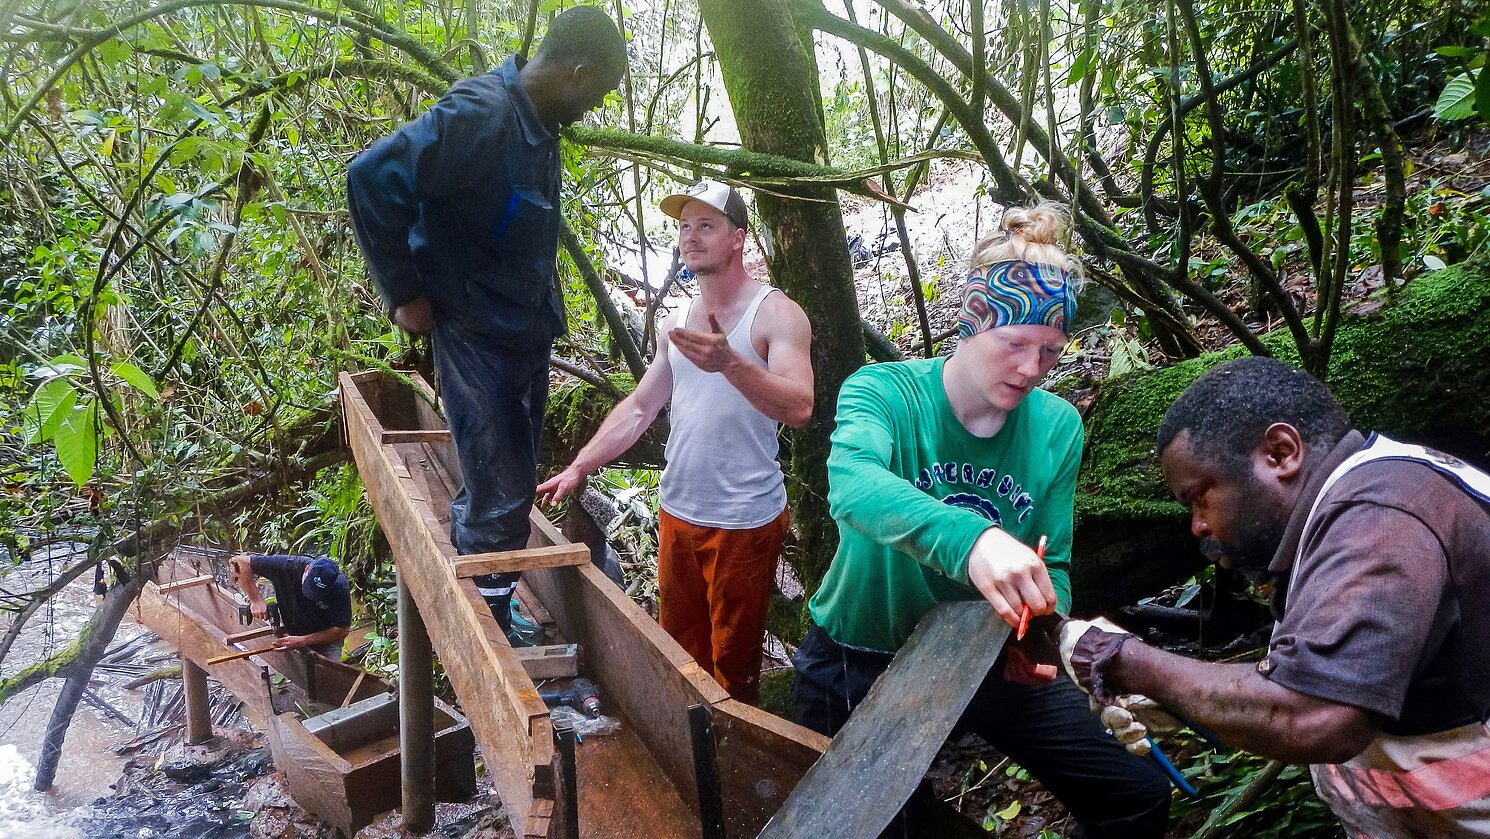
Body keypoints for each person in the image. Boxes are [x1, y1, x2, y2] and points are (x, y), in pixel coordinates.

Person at [795, 202, 1170, 837]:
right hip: (860, 656)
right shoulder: (884, 391)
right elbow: (853, 486)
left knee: (1135, 793)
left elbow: (1051, 558)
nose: (1031, 369)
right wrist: (975, 541)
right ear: (970, 326)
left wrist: (1044, 639)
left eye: (1050, 352)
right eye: (1014, 343)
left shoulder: (1057, 427)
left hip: (983, 654)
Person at [1059, 356, 1490, 837]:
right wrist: (1178, 695)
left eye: (1200, 497)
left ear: (1281, 453)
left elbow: (1317, 716)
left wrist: (1117, 657)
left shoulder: (1381, 518)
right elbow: (1306, 673)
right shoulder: (1357, 504)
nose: (1199, 525)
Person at [345, 8, 626, 631]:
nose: (593, 109)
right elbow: (370, 178)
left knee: (505, 474)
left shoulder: (538, 121)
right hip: (475, 330)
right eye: (597, 95)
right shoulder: (481, 116)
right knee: (502, 490)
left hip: (522, 327)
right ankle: (489, 624)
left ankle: (483, 582)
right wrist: (405, 291)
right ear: (576, 73)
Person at [537, 180, 814, 704]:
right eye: (685, 227)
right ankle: (694, 756)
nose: (691, 237)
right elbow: (640, 407)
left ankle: (736, 766)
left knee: (734, 666)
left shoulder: (776, 314)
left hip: (744, 518)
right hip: (679, 510)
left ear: (738, 237)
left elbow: (799, 408)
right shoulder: (679, 321)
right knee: (682, 656)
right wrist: (581, 464)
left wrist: (730, 361)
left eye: (705, 225)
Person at [229, 553, 352, 660]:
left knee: (329, 677)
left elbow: (342, 630)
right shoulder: (287, 566)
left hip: (325, 639)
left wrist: (302, 640)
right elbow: (237, 561)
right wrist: (255, 599)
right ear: (306, 570)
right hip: (292, 627)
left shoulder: (340, 587)